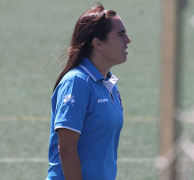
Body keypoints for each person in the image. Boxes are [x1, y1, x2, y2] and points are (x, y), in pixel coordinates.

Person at [46, 3, 131, 180]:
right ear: (98, 43)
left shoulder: (110, 84)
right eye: (121, 34)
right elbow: (67, 149)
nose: (128, 40)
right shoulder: (77, 82)